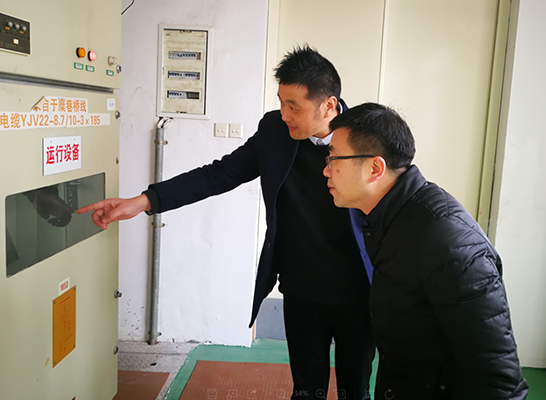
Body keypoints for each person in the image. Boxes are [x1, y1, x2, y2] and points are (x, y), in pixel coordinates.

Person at [77, 46, 376, 400]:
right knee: (306, 391)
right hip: (302, 290)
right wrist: (143, 201)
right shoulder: (275, 131)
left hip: (358, 291)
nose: (284, 114)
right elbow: (218, 174)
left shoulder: (368, 136)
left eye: (293, 106)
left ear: (328, 105)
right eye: (281, 102)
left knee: (355, 390)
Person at [323, 103, 529, 400]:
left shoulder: (446, 239)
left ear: (375, 168)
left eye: (333, 158)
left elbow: (498, 378)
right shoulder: (390, 218)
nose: (326, 170)